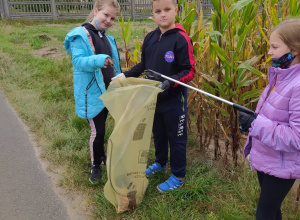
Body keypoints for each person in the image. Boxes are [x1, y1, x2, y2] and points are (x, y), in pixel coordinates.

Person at [113, 0, 195, 192]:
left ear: (176, 10)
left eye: (167, 10)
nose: (163, 15)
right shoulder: (150, 38)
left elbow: (189, 70)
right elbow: (144, 66)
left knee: (176, 137)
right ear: (153, 14)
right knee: (158, 132)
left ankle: (178, 174)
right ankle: (160, 162)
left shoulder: (181, 39)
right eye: (158, 11)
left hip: (174, 99)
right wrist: (124, 75)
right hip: (154, 98)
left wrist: (170, 81)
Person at [238, 18, 300, 219]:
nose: (270, 52)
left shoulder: (297, 86)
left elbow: (296, 137)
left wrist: (255, 123)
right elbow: (273, 116)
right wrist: (252, 121)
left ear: (295, 50)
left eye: (274, 47)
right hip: (268, 157)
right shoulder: (279, 75)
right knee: (272, 211)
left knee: (264, 213)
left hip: (283, 163)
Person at [64, 0, 122, 183]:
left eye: (113, 18)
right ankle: (95, 165)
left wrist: (119, 78)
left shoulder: (107, 38)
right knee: (98, 131)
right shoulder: (81, 35)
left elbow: (114, 64)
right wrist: (99, 60)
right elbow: (79, 62)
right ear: (96, 11)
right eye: (106, 15)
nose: (109, 20)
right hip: (92, 94)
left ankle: (102, 156)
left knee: (104, 128)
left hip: (108, 92)